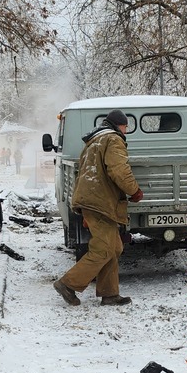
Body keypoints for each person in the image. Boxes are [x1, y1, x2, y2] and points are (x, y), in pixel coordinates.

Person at [53, 109, 143, 307]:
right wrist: (134, 190)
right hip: (100, 203)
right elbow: (119, 170)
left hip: (93, 201)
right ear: (120, 126)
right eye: (126, 127)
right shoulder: (113, 140)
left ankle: (110, 294)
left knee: (114, 247)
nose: (126, 132)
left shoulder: (93, 142)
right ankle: (68, 284)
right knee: (103, 249)